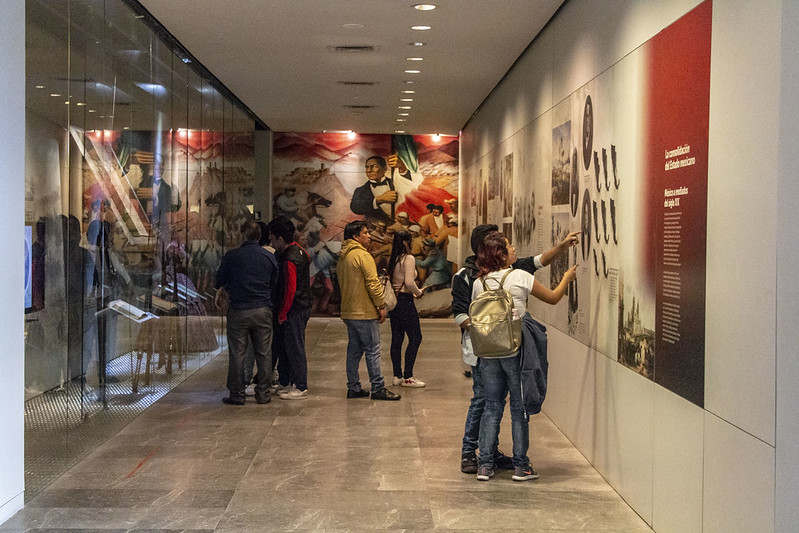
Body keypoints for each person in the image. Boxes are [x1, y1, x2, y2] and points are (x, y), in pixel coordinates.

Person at [452, 224, 579, 475]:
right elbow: (553, 298)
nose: (514, 250)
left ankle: (485, 465)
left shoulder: (480, 282)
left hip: (488, 353)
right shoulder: (520, 277)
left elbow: (471, 315)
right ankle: (521, 466)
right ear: (501, 254)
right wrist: (567, 278)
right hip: (515, 350)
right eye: (510, 247)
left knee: (491, 406)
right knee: (518, 408)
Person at [214, 220, 278, 405]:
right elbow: (274, 281)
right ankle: (264, 393)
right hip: (262, 309)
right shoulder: (268, 257)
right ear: (259, 236)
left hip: (239, 309)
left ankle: (237, 393)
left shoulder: (232, 256)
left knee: (237, 353)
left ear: (242, 235)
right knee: (264, 353)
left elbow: (219, 280)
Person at [337, 220, 401, 401]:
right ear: (356, 236)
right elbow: (373, 284)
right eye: (365, 233)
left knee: (354, 350)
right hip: (364, 311)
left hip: (349, 310)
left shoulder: (343, 256)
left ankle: (353, 387)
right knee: (373, 350)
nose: (369, 236)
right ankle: (378, 387)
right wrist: (381, 306)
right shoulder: (362, 256)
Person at [269, 217, 312, 400]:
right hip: (298, 307)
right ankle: (286, 381)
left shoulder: (290, 259)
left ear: (280, 239)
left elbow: (290, 289)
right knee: (286, 347)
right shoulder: (300, 252)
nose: (270, 241)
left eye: (272, 238)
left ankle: (300, 385)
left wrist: (283, 313)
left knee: (295, 348)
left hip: (294, 309)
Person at [386, 231, 425, 388]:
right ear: (405, 243)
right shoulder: (408, 259)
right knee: (416, 337)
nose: (413, 243)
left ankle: (397, 375)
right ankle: (408, 376)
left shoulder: (394, 259)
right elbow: (409, 282)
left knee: (397, 338)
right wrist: (419, 292)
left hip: (395, 303)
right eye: (411, 240)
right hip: (406, 302)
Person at [350, 155, 421, 225]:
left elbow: (407, 185)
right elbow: (355, 207)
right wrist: (379, 200)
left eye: (373, 166)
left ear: (384, 168)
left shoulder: (394, 183)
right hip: (377, 230)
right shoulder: (361, 190)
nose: (369, 170)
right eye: (367, 167)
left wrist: (402, 168)